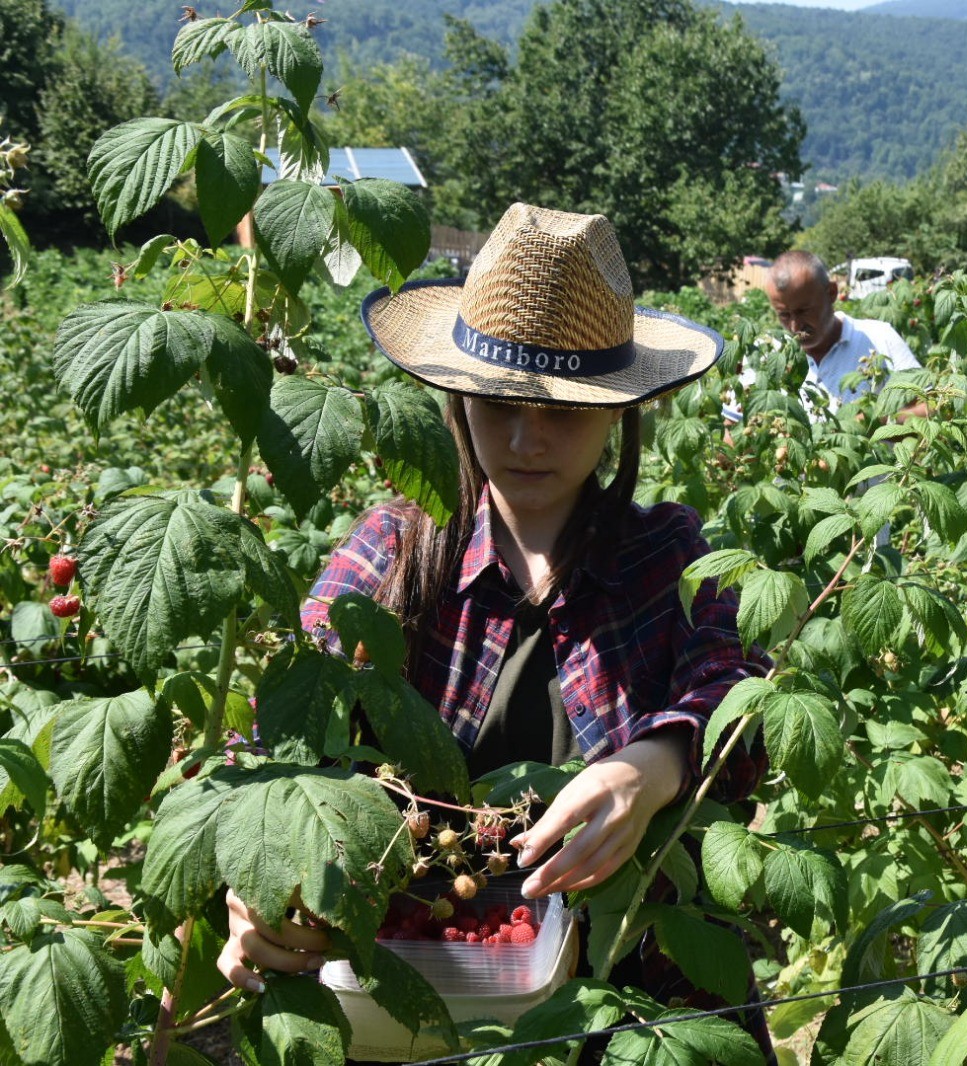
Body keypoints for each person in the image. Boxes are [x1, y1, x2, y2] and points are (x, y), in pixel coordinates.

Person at [215, 205, 770, 1050]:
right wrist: (253, 889)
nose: (526, 439)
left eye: (567, 411)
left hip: (635, 1001)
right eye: (498, 401)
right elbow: (269, 745)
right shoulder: (398, 551)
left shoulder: (664, 556)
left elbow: (745, 703)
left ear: (622, 412)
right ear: (457, 394)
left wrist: (654, 764)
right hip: (411, 1000)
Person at [731, 249, 925, 420]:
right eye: (784, 314)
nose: (795, 325)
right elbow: (732, 432)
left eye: (803, 311)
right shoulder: (764, 355)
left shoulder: (879, 337)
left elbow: (928, 408)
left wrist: (867, 425)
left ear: (831, 292)